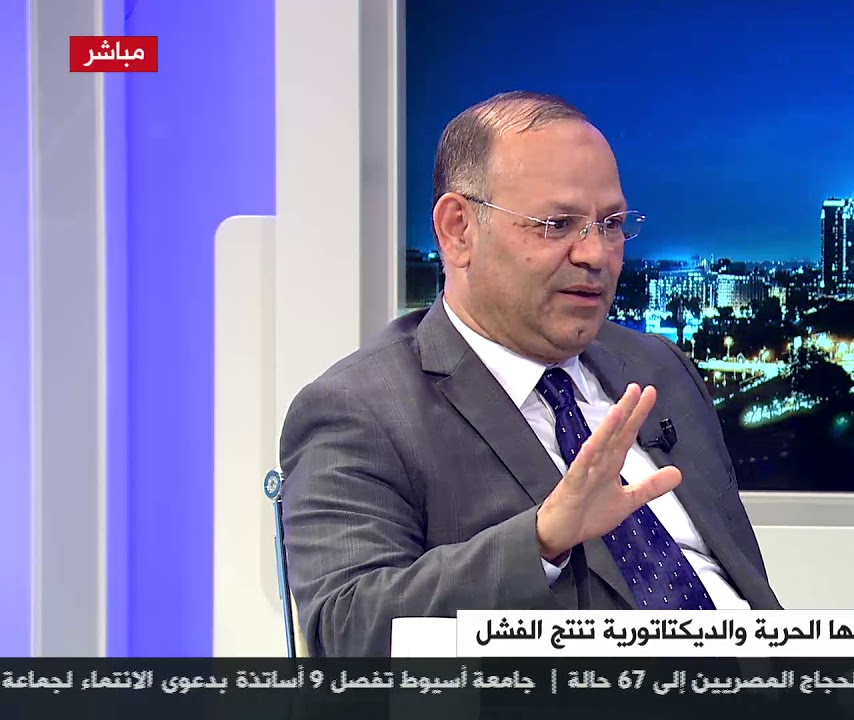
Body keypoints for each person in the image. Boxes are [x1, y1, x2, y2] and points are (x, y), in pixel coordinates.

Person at [279, 91, 781, 657]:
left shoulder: (657, 366)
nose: (596, 254)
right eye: (557, 224)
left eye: (611, 224)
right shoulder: (360, 409)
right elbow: (347, 632)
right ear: (458, 230)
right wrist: (541, 539)